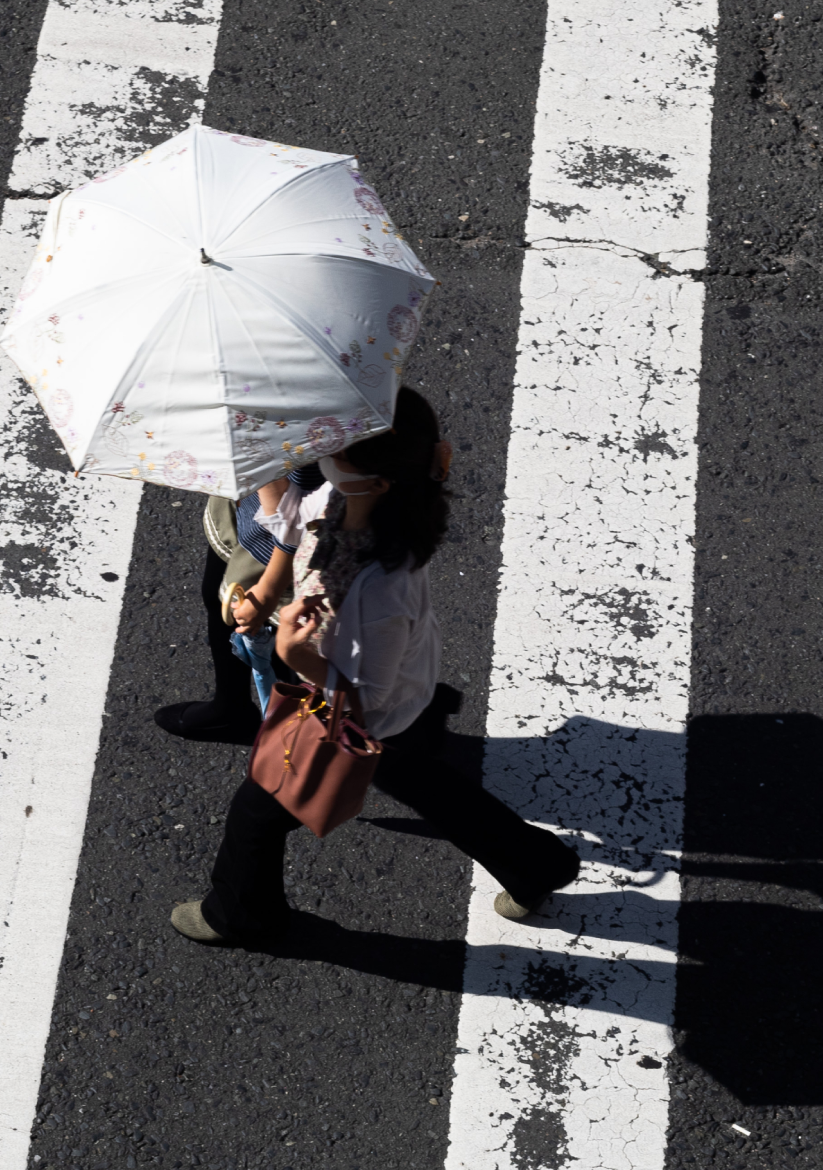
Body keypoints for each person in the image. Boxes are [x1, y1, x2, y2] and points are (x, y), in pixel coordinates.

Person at [169, 387, 581, 944]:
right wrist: (259, 462)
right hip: (399, 707)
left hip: (364, 715)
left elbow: (368, 698)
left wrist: (296, 655)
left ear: (377, 480)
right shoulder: (349, 501)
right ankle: (536, 864)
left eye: (336, 447)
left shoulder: (384, 588)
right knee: (426, 783)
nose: (321, 449)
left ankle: (240, 914)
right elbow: (292, 522)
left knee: (257, 813)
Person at [154, 464, 324, 744]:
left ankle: (292, 743)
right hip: (249, 501)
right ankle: (231, 706)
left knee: (289, 643)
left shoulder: (312, 450)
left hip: (283, 545)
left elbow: (293, 516)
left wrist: (268, 590)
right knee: (216, 595)